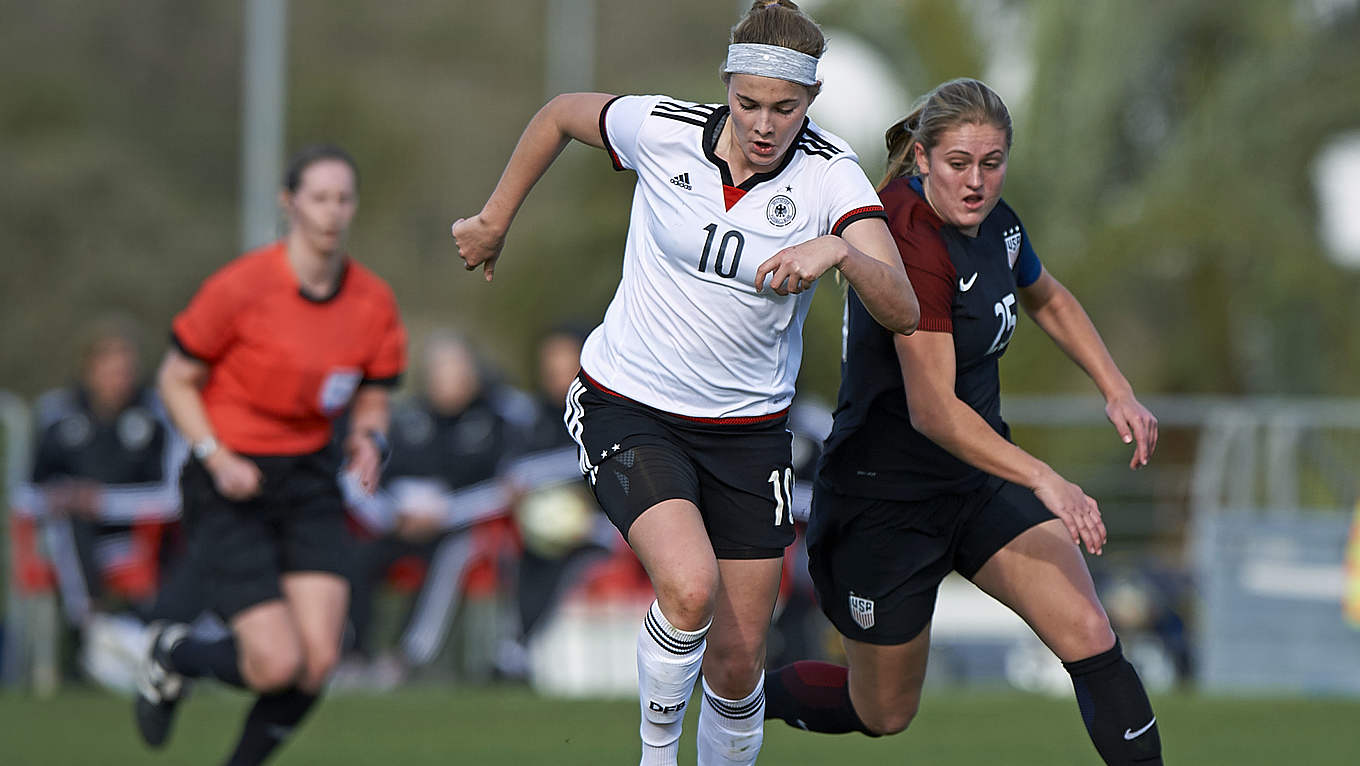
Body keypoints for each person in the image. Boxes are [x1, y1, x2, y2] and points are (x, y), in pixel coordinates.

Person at [451, 3, 919, 763]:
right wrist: (496, 217)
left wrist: (837, 252)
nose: (765, 124)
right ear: (726, 87)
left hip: (748, 438)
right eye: (749, 103)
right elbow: (561, 114)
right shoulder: (661, 129)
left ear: (811, 100)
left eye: (785, 108)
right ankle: (655, 756)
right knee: (690, 588)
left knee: (737, 670)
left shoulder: (831, 176)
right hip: (630, 408)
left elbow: (903, 307)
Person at [763, 78, 1165, 766]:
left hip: (977, 482)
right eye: (958, 165)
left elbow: (1049, 297)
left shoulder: (998, 223)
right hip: (883, 502)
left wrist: (1116, 387)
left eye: (992, 162)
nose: (977, 182)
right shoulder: (907, 238)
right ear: (921, 158)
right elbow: (935, 411)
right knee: (883, 712)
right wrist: (1049, 481)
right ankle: (732, 692)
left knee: (1089, 631)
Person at [132, 144, 407, 766]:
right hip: (230, 478)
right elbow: (175, 379)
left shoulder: (372, 301)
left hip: (309, 477)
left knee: (317, 662)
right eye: (318, 198)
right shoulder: (241, 288)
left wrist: (370, 438)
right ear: (289, 204)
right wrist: (214, 453)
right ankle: (171, 654)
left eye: (343, 199)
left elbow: (375, 392)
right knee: (276, 662)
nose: (332, 213)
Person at [342, 329, 523, 683]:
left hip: (460, 526)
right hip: (398, 521)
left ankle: (406, 658)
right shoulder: (406, 420)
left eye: (455, 371)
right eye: (438, 371)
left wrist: (445, 513)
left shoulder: (496, 422)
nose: (447, 381)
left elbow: (507, 487)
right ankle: (354, 654)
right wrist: (392, 515)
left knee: (452, 555)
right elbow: (367, 479)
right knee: (354, 556)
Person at [16, 315, 185, 684]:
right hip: (71, 539)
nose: (118, 379)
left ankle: (105, 639)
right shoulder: (57, 413)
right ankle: (94, 628)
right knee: (70, 525)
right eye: (109, 369)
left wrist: (103, 501)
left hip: (141, 537)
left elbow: (173, 497)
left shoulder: (155, 414)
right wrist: (60, 499)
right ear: (88, 369)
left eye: (125, 370)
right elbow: (25, 497)